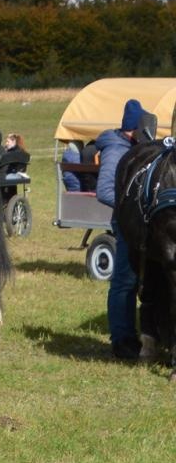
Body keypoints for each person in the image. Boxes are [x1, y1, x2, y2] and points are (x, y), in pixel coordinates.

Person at [96, 100, 144, 360]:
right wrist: (135, 205)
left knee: (135, 279)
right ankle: (121, 339)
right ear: (133, 128)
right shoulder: (116, 150)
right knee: (124, 281)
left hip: (137, 221)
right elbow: (104, 191)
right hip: (126, 222)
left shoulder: (131, 147)